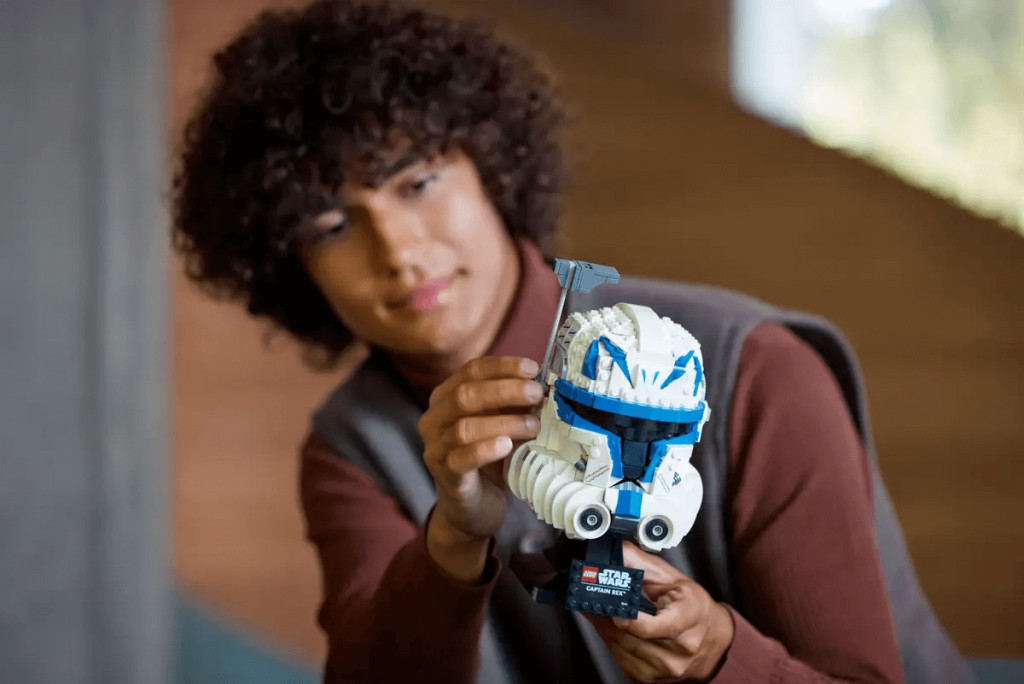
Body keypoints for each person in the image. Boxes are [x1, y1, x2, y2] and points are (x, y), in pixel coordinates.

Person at [171, 1, 973, 682]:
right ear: (287, 265)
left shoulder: (754, 369)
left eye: (418, 183)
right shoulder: (353, 448)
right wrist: (453, 537)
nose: (399, 250)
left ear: (490, 165)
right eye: (331, 227)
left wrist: (720, 656)